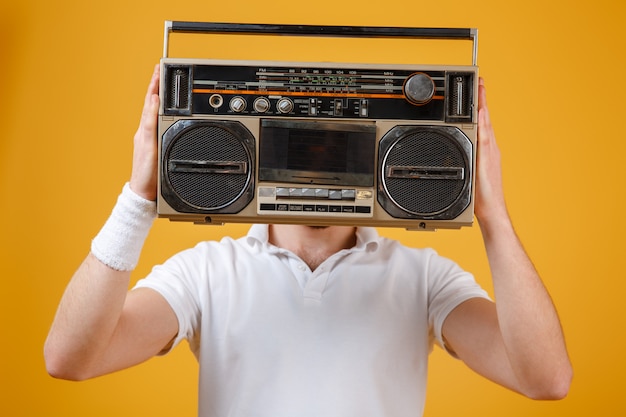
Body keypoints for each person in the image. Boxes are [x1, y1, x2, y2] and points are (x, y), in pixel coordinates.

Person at [44, 64, 573, 416]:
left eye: (338, 152)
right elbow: (70, 359)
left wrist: (493, 216)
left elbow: (546, 378)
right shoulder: (205, 272)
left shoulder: (424, 279)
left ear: (381, 154)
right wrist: (138, 199)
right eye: (298, 150)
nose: (317, 172)